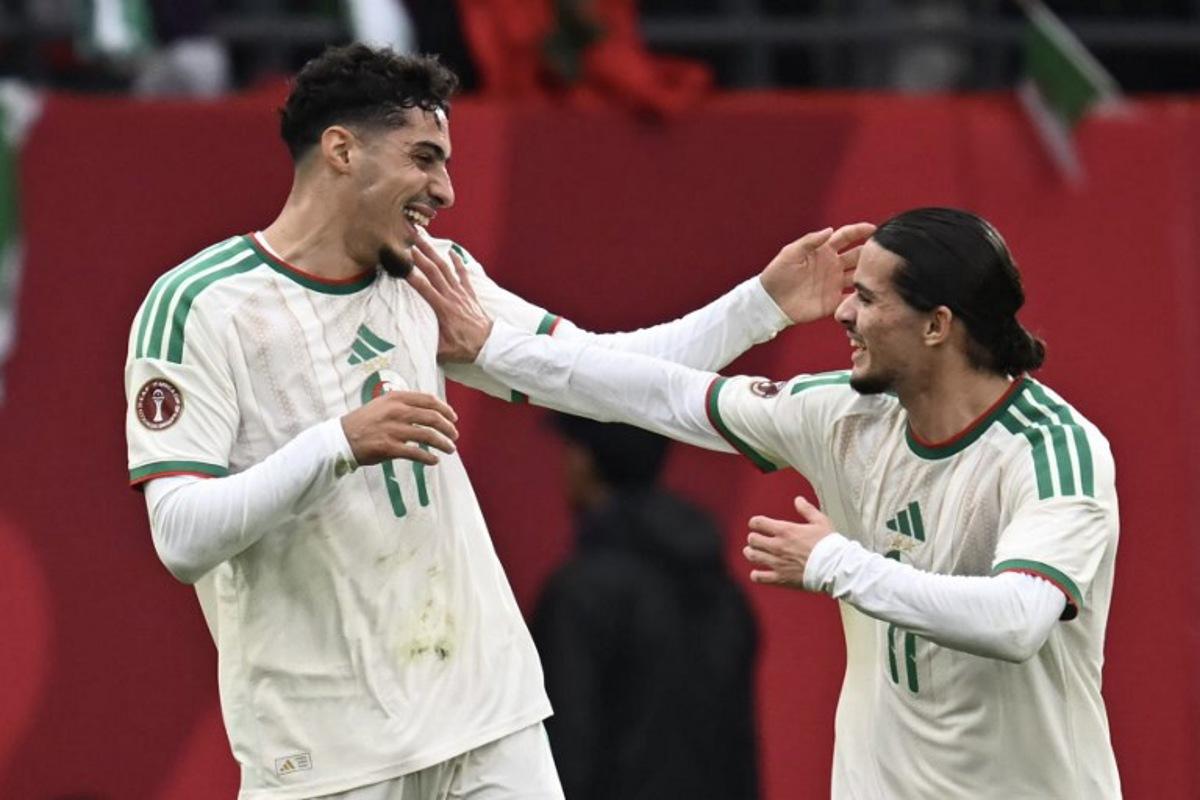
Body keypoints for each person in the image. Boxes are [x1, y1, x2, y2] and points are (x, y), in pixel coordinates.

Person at [123, 43, 872, 799]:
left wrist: (761, 305)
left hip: (487, 716)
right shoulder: (200, 305)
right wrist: (339, 443)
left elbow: (609, 378)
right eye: (423, 158)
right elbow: (181, 536)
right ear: (342, 151)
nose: (445, 190)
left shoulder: (432, 274)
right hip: (325, 746)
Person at [412, 207, 1122, 798]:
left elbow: (1018, 620)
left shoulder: (1055, 453)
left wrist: (836, 563)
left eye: (869, 299)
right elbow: (661, 393)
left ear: (937, 325)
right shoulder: (842, 416)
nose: (843, 311)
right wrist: (494, 350)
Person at [533, 416, 759, 800]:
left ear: (585, 459)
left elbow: (564, 753)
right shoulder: (723, 593)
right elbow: (739, 756)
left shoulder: (580, 594)